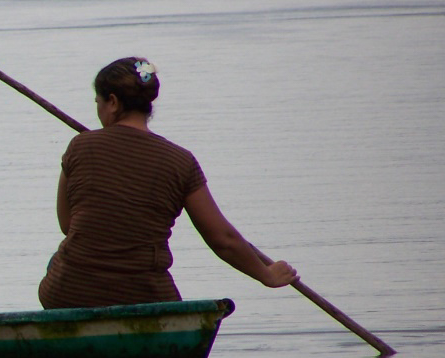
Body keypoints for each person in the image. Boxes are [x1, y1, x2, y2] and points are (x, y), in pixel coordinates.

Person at [38, 57, 297, 309]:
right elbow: (223, 240)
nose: (98, 110)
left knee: (56, 263)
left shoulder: (80, 146)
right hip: (147, 296)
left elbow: (67, 224)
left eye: (98, 102)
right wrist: (266, 274)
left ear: (113, 102)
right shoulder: (181, 161)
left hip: (69, 292)